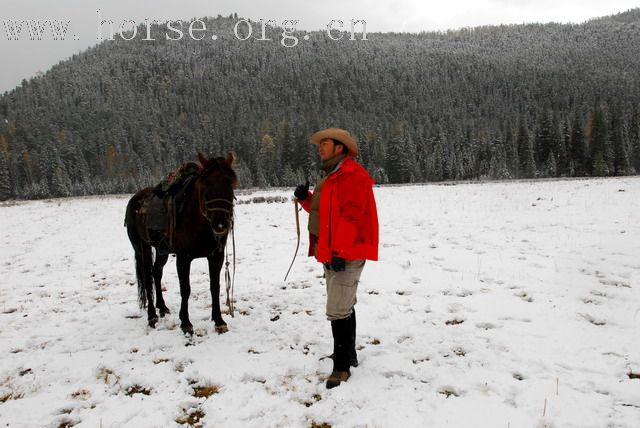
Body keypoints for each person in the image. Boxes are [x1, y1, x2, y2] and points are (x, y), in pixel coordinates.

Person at [294, 127, 379, 389]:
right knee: (344, 306)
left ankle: (341, 368)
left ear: (339, 147)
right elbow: (325, 214)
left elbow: (352, 218)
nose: (320, 147)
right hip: (331, 251)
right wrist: (304, 199)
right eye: (319, 143)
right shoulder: (332, 175)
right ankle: (348, 355)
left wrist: (339, 252)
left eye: (325, 143)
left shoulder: (352, 175)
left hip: (345, 252)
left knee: (337, 310)